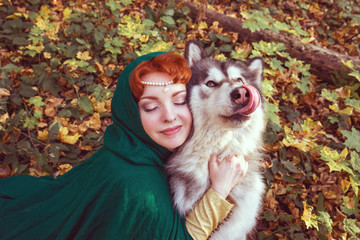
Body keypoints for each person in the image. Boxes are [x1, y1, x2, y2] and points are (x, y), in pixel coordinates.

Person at [0, 52, 247, 240]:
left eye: (180, 101)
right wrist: (219, 190)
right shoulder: (141, 191)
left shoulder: (127, 143)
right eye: (150, 107)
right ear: (129, 112)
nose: (170, 116)